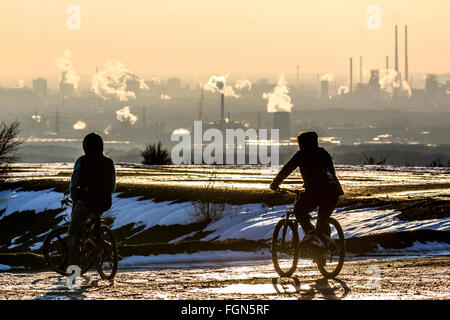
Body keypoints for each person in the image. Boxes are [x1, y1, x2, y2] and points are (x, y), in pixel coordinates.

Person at [270, 131, 343, 249]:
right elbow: (330, 173)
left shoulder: (301, 154)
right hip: (333, 192)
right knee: (322, 220)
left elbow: (286, 170)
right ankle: (322, 245)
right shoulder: (324, 153)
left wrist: (275, 184)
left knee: (299, 209)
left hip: (315, 192)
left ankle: (309, 233)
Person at [67, 132, 116, 268]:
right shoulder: (109, 162)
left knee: (74, 234)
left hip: (84, 202)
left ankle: (74, 266)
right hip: (103, 203)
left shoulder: (81, 161)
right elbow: (112, 186)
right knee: (95, 224)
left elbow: (74, 183)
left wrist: (74, 196)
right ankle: (98, 244)